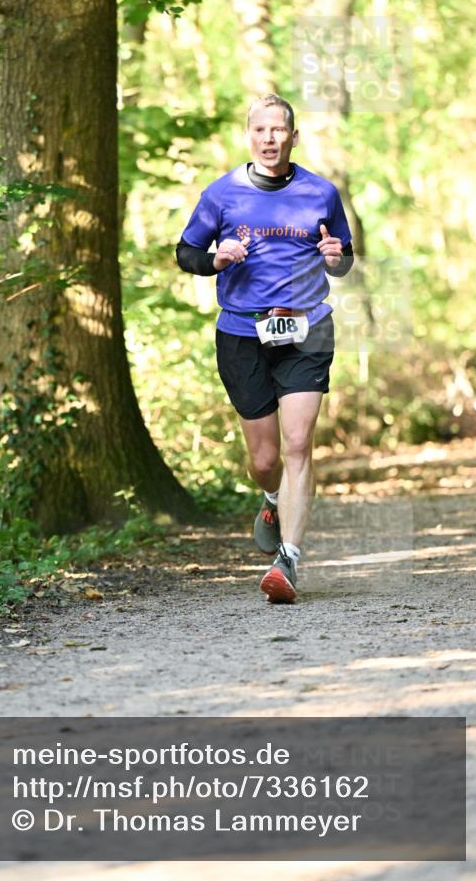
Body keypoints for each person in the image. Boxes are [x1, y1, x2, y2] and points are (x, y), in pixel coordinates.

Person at [176, 94, 354, 603]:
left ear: (293, 138)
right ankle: (271, 498)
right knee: (265, 458)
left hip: (307, 329)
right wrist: (216, 260)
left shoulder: (321, 192)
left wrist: (336, 257)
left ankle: (289, 561)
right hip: (241, 334)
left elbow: (342, 258)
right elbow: (186, 251)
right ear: (248, 135)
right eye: (261, 130)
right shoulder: (222, 193)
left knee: (299, 445)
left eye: (279, 130)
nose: (270, 139)